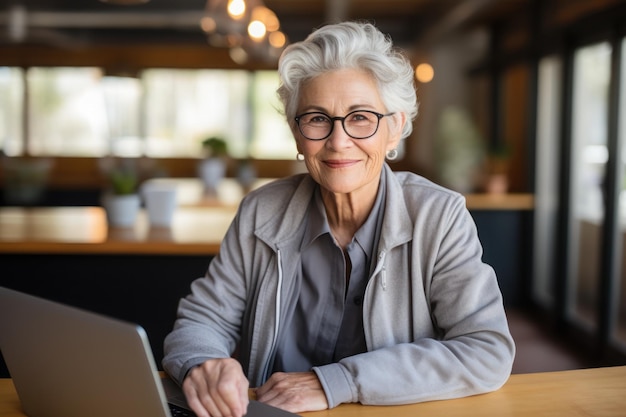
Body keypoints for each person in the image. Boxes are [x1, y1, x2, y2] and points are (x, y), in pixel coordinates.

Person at [163, 21, 515, 417]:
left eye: (360, 117)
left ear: (395, 128)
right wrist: (203, 363)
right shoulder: (261, 211)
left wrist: (338, 381)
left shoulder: (439, 216)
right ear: (297, 135)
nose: (338, 140)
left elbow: (487, 350)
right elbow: (201, 320)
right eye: (316, 118)